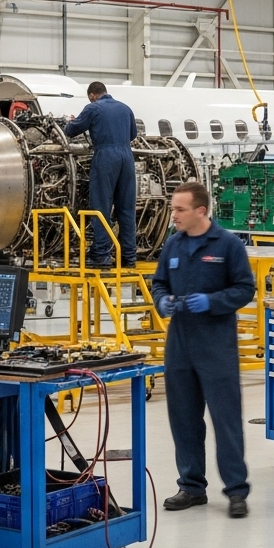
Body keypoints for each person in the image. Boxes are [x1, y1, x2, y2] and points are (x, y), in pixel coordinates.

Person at [152, 181, 256, 518]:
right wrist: (161, 301)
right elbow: (159, 283)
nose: (174, 215)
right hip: (180, 343)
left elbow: (244, 289)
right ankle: (191, 486)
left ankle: (236, 491)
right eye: (173, 209)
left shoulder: (227, 245)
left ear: (201, 210)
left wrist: (211, 302)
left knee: (225, 421)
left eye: (179, 209)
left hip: (216, 345)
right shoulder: (173, 245)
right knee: (183, 420)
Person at [64, 81, 138, 268]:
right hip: (127, 158)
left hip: (106, 156)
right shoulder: (125, 108)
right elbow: (133, 135)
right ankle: (128, 257)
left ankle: (101, 255)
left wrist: (68, 122)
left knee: (101, 207)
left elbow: (72, 131)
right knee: (126, 208)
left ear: (92, 95)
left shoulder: (93, 108)